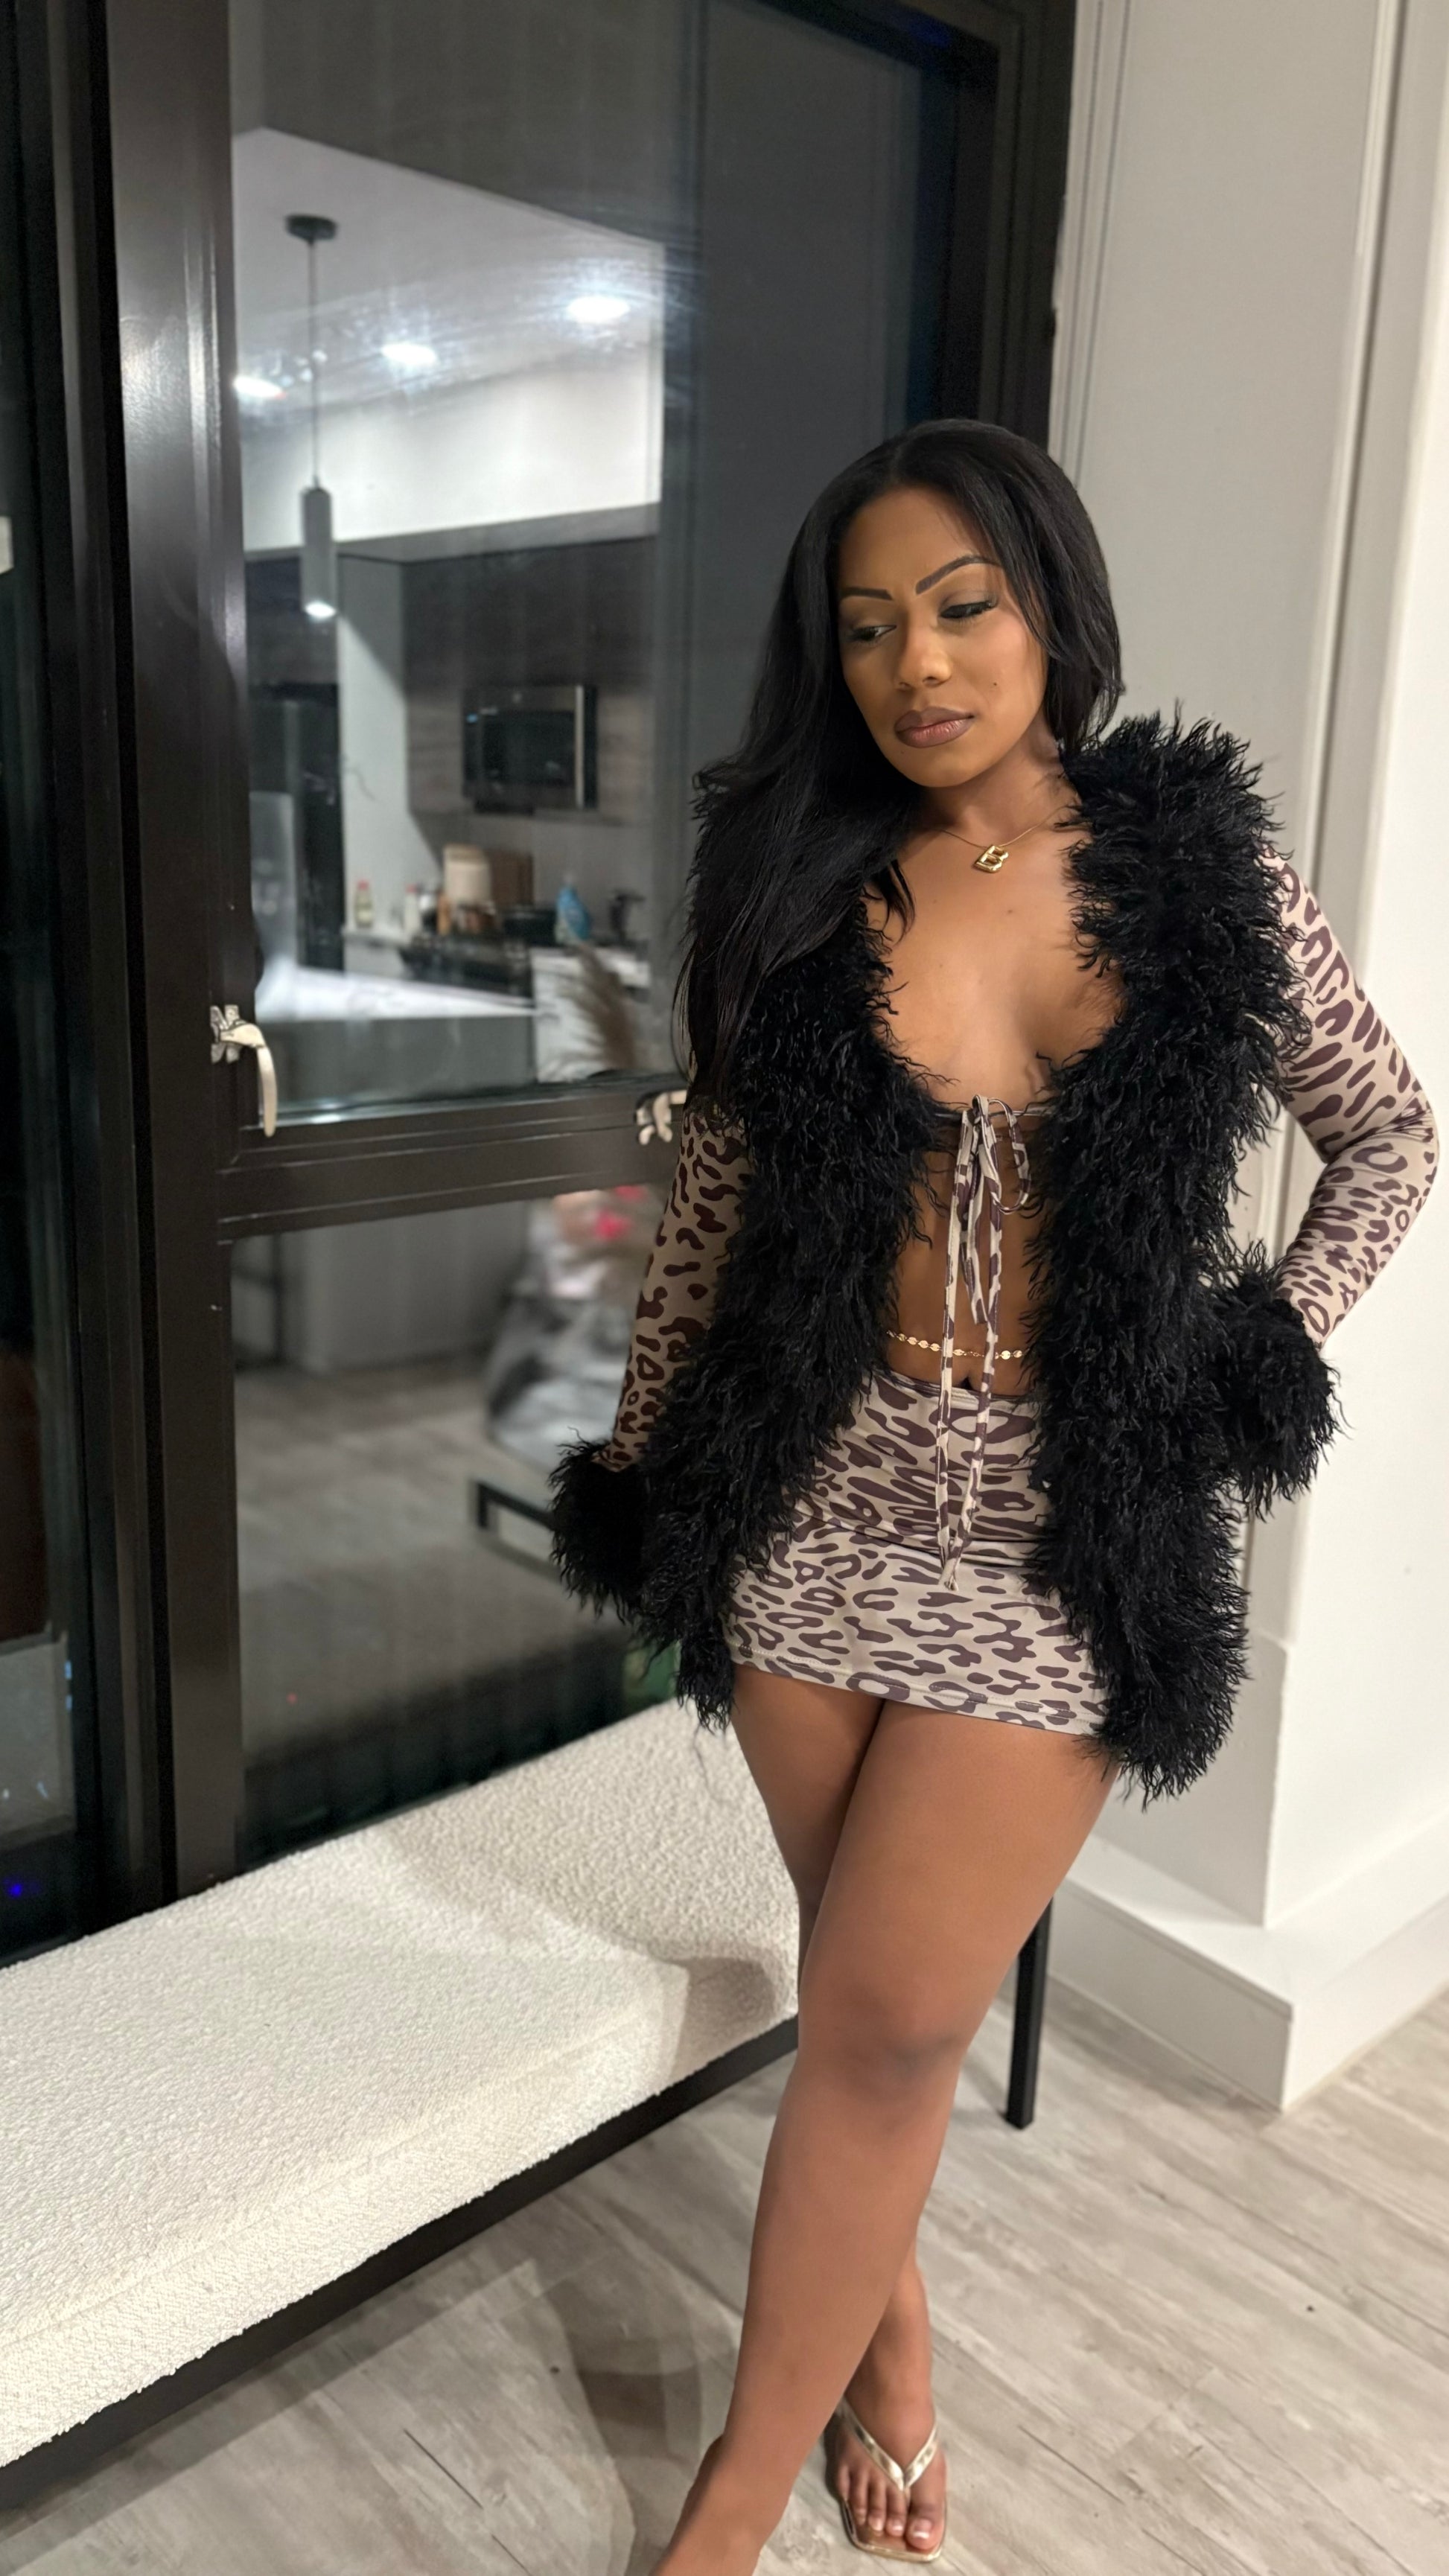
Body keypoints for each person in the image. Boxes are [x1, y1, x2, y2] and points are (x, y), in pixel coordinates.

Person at [552, 420, 1438, 2572]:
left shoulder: (1199, 882)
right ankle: (891, 2344)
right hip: (805, 1502)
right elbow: (711, 1219)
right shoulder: (798, 887)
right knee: (865, 2002)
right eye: (867, 627)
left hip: (1052, 1533)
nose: (918, 664)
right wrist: (650, 1473)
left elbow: (1392, 1133)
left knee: (893, 2020)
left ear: (1049, 607)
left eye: (961, 606)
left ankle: (725, 2504)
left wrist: (1258, 1349)